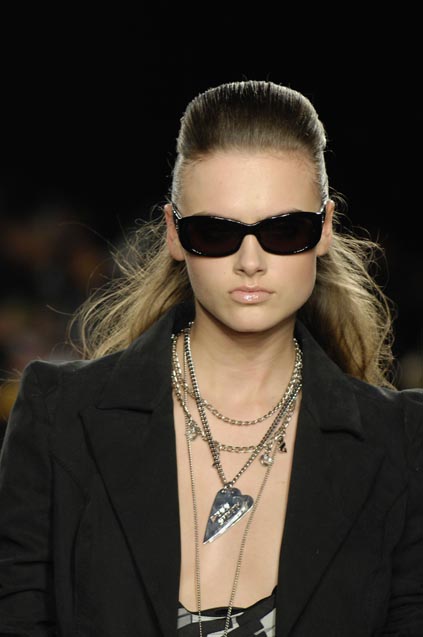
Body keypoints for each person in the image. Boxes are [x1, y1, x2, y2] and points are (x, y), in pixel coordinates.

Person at [0, 80, 422, 637]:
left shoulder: (401, 443)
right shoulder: (59, 418)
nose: (250, 261)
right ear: (175, 235)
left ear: (324, 230)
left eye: (285, 230)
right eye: (215, 233)